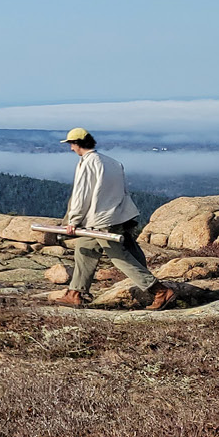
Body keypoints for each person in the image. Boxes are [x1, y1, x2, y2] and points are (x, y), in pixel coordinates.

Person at [52, 128, 175, 309]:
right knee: (85, 247)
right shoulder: (112, 162)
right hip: (118, 214)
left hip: (102, 220)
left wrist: (73, 221)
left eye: (71, 144)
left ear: (78, 143)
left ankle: (159, 290)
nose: (71, 148)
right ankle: (75, 292)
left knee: (119, 257)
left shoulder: (87, 163)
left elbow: (81, 195)